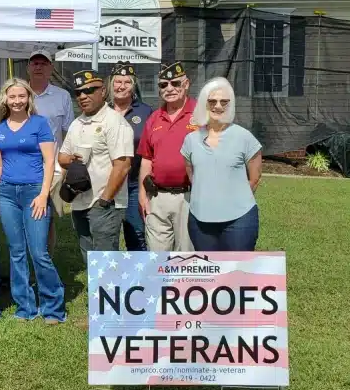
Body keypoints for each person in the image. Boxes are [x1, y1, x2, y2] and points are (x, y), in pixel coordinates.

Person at [0, 79, 66, 324]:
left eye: (21, 96)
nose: (17, 101)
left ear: (28, 99)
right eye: (12, 97)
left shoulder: (39, 124)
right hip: (8, 193)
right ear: (5, 99)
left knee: (39, 251)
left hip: (35, 192)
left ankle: (53, 307)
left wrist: (44, 194)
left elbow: (49, 162)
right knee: (16, 252)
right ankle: (25, 307)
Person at [58, 69, 134, 266]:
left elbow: (123, 165)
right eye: (79, 92)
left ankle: (110, 296)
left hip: (104, 202)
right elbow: (62, 157)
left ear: (103, 92)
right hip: (79, 200)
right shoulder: (77, 123)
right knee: (89, 258)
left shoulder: (114, 121)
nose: (83, 96)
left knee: (106, 261)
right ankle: (97, 296)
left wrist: (105, 199)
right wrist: (72, 159)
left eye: (90, 90)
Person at [182, 78, 263, 251]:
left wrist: (231, 199)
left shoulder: (245, 137)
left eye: (224, 102)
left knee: (238, 274)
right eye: (212, 101)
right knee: (209, 275)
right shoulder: (190, 140)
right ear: (204, 103)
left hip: (239, 221)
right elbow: (192, 175)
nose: (218, 106)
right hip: (199, 220)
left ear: (230, 104)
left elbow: (255, 178)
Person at [138, 61, 196, 252]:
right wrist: (142, 194)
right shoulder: (154, 118)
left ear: (186, 84)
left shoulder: (201, 114)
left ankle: (182, 284)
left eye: (175, 83)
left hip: (189, 196)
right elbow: (146, 158)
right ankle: (161, 284)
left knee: (186, 256)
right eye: (163, 85)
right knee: (156, 256)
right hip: (157, 196)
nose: (169, 89)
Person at [27, 49, 75, 250]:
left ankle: (45, 263)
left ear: (51, 68)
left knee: (47, 220)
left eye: (43, 63)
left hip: (53, 170)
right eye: (35, 63)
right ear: (28, 68)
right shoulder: (19, 94)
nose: (38, 67)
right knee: (24, 218)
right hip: (23, 168)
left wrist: (63, 168)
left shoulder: (62, 96)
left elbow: (69, 134)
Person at [108, 63, 153, 251]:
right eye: (118, 81)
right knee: (106, 235)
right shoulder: (102, 110)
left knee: (137, 234)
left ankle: (140, 278)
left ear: (134, 85)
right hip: (107, 183)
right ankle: (111, 279)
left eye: (127, 82)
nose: (121, 86)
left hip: (134, 184)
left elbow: (151, 150)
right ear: (111, 84)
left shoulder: (146, 112)